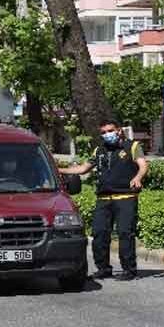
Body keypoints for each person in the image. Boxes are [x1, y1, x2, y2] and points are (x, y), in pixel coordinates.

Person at [60, 120, 148, 281]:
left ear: (119, 130)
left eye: (110, 130)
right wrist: (59, 170)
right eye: (104, 132)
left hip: (125, 197)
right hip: (103, 198)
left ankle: (129, 269)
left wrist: (138, 177)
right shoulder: (99, 150)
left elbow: (143, 165)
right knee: (99, 233)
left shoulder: (132, 146)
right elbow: (82, 168)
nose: (107, 134)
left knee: (124, 233)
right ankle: (103, 268)